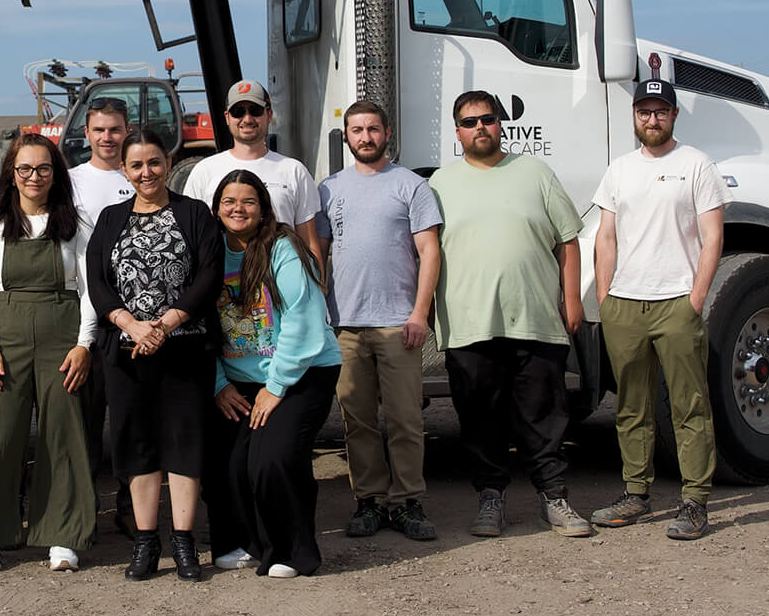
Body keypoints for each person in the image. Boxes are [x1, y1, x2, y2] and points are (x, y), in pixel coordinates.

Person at [429, 90, 592, 538]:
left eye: (487, 119)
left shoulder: (535, 172)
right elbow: (425, 253)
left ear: (501, 123)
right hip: (468, 322)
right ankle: (490, 497)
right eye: (469, 121)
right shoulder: (441, 183)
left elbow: (568, 241)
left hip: (536, 317)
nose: (479, 127)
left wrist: (572, 299)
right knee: (480, 417)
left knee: (545, 415)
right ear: (457, 131)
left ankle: (554, 497)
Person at [589, 79, 731, 540]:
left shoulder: (696, 165)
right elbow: (606, 236)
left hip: (676, 302)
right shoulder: (620, 169)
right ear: (634, 116)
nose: (652, 120)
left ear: (673, 116)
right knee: (632, 405)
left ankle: (695, 500)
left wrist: (696, 297)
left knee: (690, 404)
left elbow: (713, 237)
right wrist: (606, 298)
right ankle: (636, 493)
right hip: (626, 304)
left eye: (661, 112)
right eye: (644, 112)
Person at [86, 128, 223, 581]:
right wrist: (130, 324)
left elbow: (209, 276)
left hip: (184, 348)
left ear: (169, 163)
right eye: (137, 165)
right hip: (127, 353)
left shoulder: (194, 213)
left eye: (155, 162)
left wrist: (165, 324)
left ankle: (183, 541)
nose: (147, 172)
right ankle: (146, 541)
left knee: (185, 441)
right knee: (137, 442)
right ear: (124, 170)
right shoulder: (109, 219)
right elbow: (98, 283)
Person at [0, 134, 97, 572]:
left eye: (43, 169)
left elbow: (90, 291)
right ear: (12, 174)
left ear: (55, 173)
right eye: (25, 169)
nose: (34, 177)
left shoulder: (77, 225)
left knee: (64, 434)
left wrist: (85, 345)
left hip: (64, 332)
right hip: (7, 334)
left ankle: (63, 535)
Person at [206, 170, 341, 578]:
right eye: (229, 201)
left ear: (264, 208)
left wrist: (276, 386)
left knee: (274, 460)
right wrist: (219, 384)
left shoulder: (281, 248)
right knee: (229, 464)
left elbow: (304, 321)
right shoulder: (209, 253)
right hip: (237, 380)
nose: (238, 209)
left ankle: (292, 552)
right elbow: (200, 329)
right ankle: (246, 543)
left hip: (303, 369)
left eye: (248, 201)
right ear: (216, 208)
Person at [316, 100, 441, 541]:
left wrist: (419, 313)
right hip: (346, 324)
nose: (365, 137)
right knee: (358, 420)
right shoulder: (328, 190)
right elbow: (319, 254)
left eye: (372, 129)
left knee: (406, 419)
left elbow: (430, 252)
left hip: (397, 323)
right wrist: (322, 315)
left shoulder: (411, 187)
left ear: (387, 132)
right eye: (356, 130)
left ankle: (407, 502)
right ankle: (369, 501)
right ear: (346, 136)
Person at [67, 97, 137, 538]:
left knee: (130, 423)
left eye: (114, 130)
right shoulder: (70, 183)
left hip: (135, 322)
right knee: (86, 425)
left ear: (126, 131)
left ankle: (131, 509)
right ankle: (85, 510)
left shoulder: (140, 177)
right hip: (87, 321)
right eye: (99, 130)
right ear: (87, 134)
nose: (107, 138)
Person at [182, 80, 324, 272]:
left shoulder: (294, 171)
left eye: (255, 111)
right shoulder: (204, 171)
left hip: (280, 287)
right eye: (238, 112)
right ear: (227, 117)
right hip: (223, 289)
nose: (247, 119)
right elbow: (190, 241)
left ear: (269, 114)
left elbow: (309, 243)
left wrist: (318, 290)